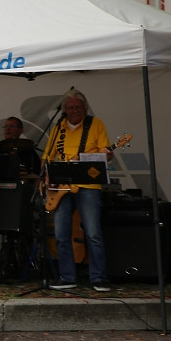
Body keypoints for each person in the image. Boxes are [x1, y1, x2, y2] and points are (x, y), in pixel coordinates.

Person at [42, 90, 112, 292]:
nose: (74, 111)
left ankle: (98, 277)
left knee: (92, 232)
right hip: (62, 187)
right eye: (70, 108)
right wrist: (45, 174)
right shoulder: (59, 127)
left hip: (88, 186)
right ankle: (67, 277)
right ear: (64, 110)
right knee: (61, 234)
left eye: (78, 107)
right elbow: (47, 155)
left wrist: (108, 155)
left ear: (85, 108)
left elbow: (105, 155)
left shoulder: (95, 124)